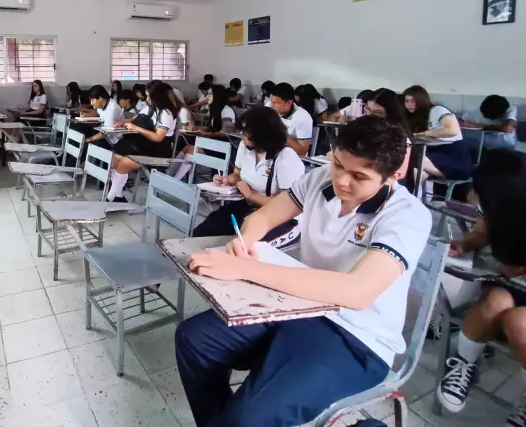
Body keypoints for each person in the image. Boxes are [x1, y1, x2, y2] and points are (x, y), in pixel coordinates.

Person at [175, 117, 430, 426]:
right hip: (297, 306)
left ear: (391, 176)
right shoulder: (321, 179)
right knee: (194, 340)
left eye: (359, 176)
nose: (342, 181)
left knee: (248, 417)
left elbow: (357, 292)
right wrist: (245, 240)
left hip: (356, 337)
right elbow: (266, 215)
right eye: (338, 164)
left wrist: (244, 269)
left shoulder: (407, 216)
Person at [436, 149, 526, 425]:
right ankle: (464, 364)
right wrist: (464, 243)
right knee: (494, 302)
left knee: (518, 320)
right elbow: (480, 233)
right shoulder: (498, 208)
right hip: (512, 286)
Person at [189, 107, 305, 246]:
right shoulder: (246, 148)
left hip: (280, 218)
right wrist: (227, 180)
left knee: (248, 247)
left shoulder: (286, 158)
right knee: (204, 231)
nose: (242, 136)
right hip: (248, 206)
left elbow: (286, 207)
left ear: (264, 135)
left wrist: (251, 195)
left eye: (247, 133)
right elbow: (237, 175)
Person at [106, 82, 179, 203]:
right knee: (115, 159)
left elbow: (158, 137)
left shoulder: (166, 113)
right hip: (145, 146)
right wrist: (123, 123)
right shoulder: (150, 107)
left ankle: (110, 198)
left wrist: (136, 128)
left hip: (158, 151)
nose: (147, 98)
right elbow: (135, 118)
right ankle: (117, 196)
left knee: (124, 163)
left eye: (149, 95)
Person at [404, 85, 472, 182]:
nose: (410, 104)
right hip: (432, 154)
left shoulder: (437, 110)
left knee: (413, 159)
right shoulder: (414, 117)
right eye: (407, 101)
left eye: (413, 101)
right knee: (413, 166)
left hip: (453, 156)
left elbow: (453, 130)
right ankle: (418, 193)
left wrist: (421, 134)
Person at [171, 85, 236, 181]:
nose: (207, 97)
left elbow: (226, 133)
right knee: (187, 147)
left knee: (192, 149)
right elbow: (213, 128)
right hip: (213, 144)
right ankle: (169, 174)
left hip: (222, 148)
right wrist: (197, 128)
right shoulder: (215, 109)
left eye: (210, 94)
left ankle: (176, 180)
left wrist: (208, 134)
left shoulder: (226, 111)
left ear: (218, 95)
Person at [269, 82, 314, 156]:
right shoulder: (270, 108)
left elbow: (302, 152)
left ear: (289, 103)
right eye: (270, 101)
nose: (271, 105)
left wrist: (281, 133)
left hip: (292, 158)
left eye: (275, 102)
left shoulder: (302, 117)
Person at [81, 85, 124, 149]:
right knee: (82, 131)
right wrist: (86, 115)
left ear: (100, 98)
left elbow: (104, 133)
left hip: (112, 141)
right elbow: (97, 112)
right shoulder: (105, 103)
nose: (91, 103)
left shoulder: (111, 110)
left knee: (85, 145)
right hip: (105, 134)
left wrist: (89, 139)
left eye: (92, 100)